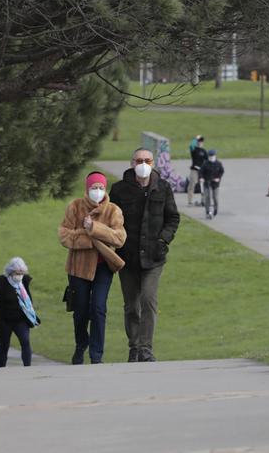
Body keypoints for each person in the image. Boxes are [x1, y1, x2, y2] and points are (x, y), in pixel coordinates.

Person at [110, 148, 180, 362]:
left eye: (147, 160)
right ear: (132, 163)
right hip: (127, 257)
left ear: (153, 163)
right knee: (132, 305)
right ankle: (134, 347)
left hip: (153, 257)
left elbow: (173, 218)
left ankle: (146, 349)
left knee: (148, 301)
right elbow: (111, 219)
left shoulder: (163, 188)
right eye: (139, 160)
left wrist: (163, 240)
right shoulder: (119, 190)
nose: (143, 164)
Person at [58, 171, 127, 365]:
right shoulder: (75, 207)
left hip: (103, 267)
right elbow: (64, 235)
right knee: (80, 310)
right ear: (87, 189)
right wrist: (87, 236)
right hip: (78, 268)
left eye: (101, 188)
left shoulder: (113, 210)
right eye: (94, 188)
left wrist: (94, 228)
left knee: (98, 308)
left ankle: (97, 354)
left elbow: (119, 238)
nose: (97, 191)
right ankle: (81, 344)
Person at [0, 257, 40, 368]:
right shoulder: (1, 282)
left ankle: (27, 367)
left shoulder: (24, 282)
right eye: (17, 273)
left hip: (21, 320)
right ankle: (2, 369)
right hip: (4, 320)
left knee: (25, 341)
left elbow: (28, 300)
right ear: (10, 272)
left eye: (22, 273)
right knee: (4, 345)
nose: (19, 275)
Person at [199, 149, 224, 219]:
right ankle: (208, 212)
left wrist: (218, 178)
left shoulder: (218, 164)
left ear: (215, 156)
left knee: (215, 197)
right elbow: (201, 172)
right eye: (210, 156)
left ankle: (215, 209)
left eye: (212, 156)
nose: (211, 158)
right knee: (207, 197)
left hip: (215, 184)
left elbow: (221, 171)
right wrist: (201, 178)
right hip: (207, 183)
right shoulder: (205, 164)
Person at [188, 135, 208, 206]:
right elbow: (191, 145)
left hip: (201, 171)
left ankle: (203, 201)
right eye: (199, 141)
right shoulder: (194, 150)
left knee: (203, 186)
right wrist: (195, 138)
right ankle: (190, 201)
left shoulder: (204, 151)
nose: (200, 142)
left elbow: (207, 161)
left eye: (201, 141)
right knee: (192, 185)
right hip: (194, 170)